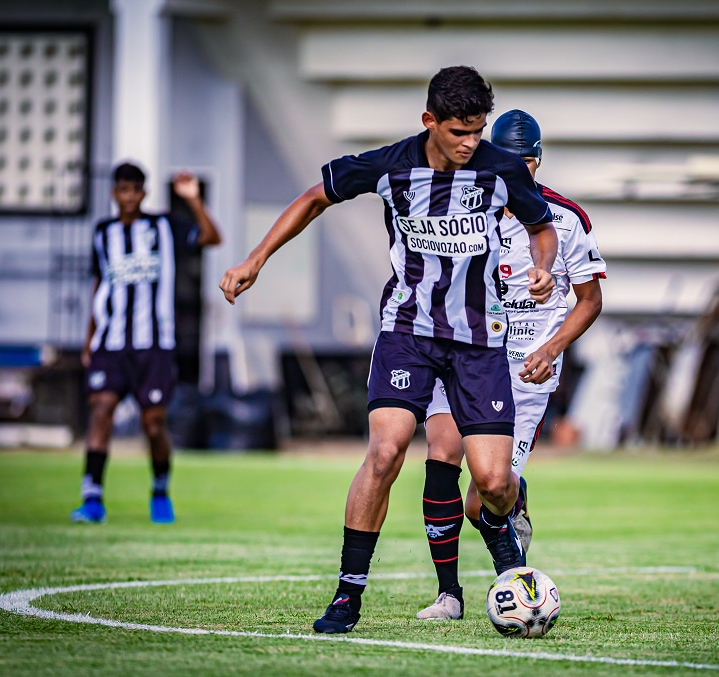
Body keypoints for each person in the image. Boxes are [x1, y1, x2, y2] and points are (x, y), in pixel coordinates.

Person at [218, 66, 559, 634]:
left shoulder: (500, 168)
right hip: (408, 333)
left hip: (479, 342)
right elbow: (313, 197)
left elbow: (540, 226)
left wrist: (543, 268)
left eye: (478, 130)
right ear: (430, 122)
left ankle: (503, 547)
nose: (471, 143)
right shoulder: (390, 166)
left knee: (495, 484)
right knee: (386, 452)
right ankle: (348, 595)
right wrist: (256, 259)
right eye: (460, 132)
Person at [416, 109, 606, 621]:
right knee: (442, 451)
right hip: (462, 356)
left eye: (527, 163)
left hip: (527, 371)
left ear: (538, 162)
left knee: (486, 498)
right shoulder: (459, 206)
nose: (518, 172)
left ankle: (512, 506)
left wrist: (550, 350)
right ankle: (450, 595)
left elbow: (589, 300)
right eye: (507, 162)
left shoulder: (565, 219)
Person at [70, 162, 222, 525]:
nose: (128, 197)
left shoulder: (165, 226)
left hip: (154, 345)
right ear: (113, 192)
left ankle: (159, 489)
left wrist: (194, 201)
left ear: (143, 192)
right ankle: (92, 498)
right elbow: (99, 287)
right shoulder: (102, 233)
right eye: (122, 189)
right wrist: (90, 338)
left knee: (153, 424)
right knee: (101, 410)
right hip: (111, 343)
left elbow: (212, 238)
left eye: (134, 189)